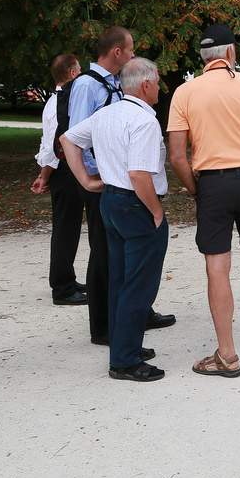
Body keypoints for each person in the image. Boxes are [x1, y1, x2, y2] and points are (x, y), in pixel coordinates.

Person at [167, 23, 240, 378]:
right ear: (230, 52)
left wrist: (194, 189)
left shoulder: (185, 93)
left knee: (217, 267)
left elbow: (177, 156)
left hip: (213, 183)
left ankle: (228, 354)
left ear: (203, 58)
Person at [61, 58, 170, 383]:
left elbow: (68, 139)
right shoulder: (143, 122)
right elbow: (139, 174)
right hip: (136, 204)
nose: (160, 88)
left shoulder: (106, 114)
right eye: (158, 82)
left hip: (110, 201)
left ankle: (125, 346)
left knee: (121, 279)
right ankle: (124, 361)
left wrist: (86, 180)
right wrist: (156, 211)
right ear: (146, 85)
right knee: (138, 283)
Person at [30, 53, 88, 306]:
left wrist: (44, 173)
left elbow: (47, 144)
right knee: (65, 227)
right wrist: (45, 175)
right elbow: (54, 145)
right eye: (80, 70)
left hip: (62, 169)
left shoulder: (56, 101)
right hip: (64, 170)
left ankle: (67, 278)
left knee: (69, 226)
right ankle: (62, 287)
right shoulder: (60, 104)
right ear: (73, 73)